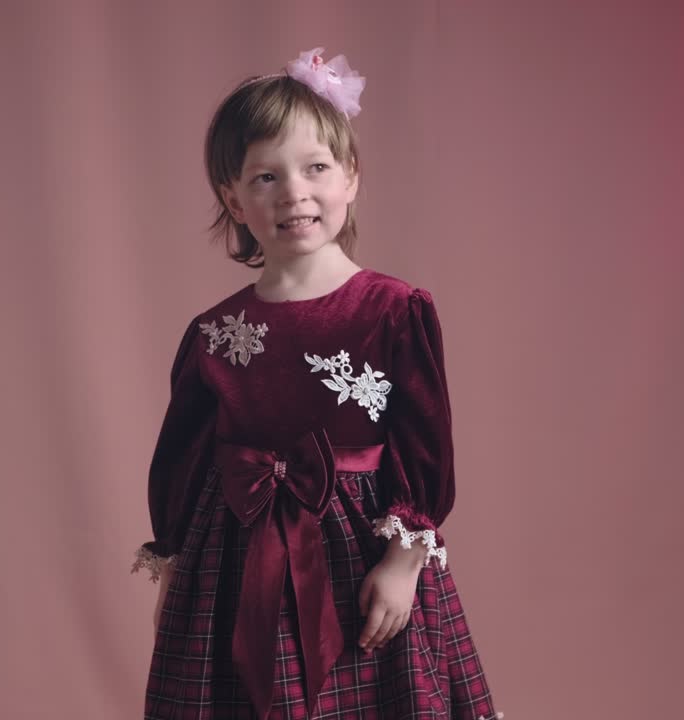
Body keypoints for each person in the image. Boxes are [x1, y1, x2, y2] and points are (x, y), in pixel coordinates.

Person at [132, 46, 505, 720]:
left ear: (351, 177)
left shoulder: (394, 310)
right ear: (233, 198)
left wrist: (402, 564)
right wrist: (178, 573)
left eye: (315, 169)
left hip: (359, 556)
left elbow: (424, 443)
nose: (294, 194)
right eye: (265, 177)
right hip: (236, 561)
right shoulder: (214, 332)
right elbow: (185, 457)